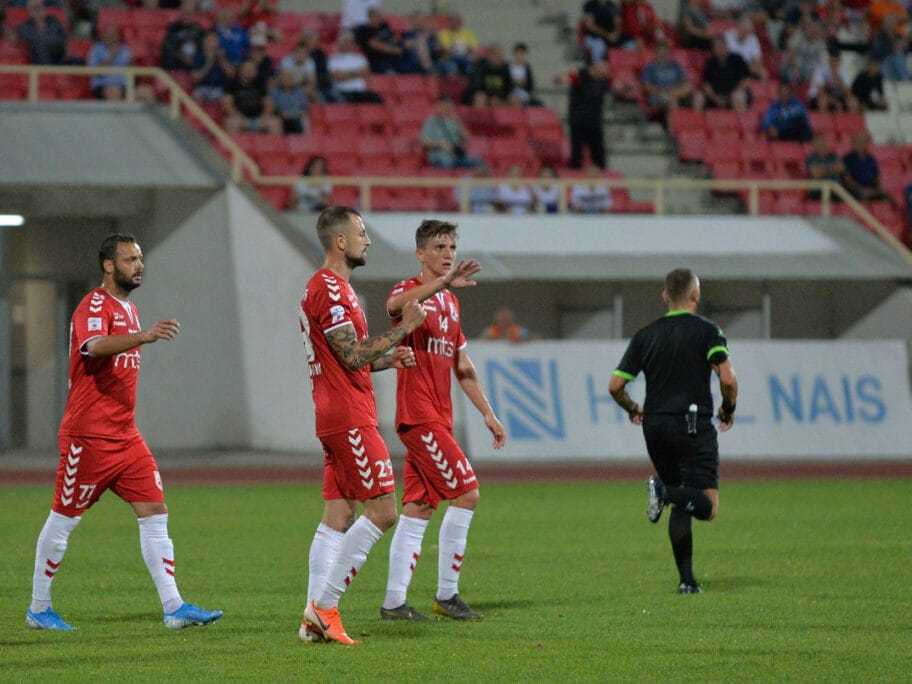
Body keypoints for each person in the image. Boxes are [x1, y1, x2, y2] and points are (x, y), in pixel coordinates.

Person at [25, 233, 223, 631]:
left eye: (140, 257)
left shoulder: (128, 308)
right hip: (88, 436)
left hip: (126, 436)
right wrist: (146, 335)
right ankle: (38, 608)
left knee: (155, 514)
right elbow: (94, 347)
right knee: (64, 520)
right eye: (130, 259)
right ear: (108, 265)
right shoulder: (94, 304)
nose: (139, 264)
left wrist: (141, 332)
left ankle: (174, 607)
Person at [298, 206, 427, 646]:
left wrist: (389, 358)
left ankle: (310, 616)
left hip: (337, 412)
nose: (367, 240)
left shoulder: (336, 290)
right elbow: (351, 355)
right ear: (340, 241)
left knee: (338, 515)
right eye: (361, 232)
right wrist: (405, 329)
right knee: (384, 510)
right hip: (348, 416)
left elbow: (349, 359)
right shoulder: (330, 291)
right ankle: (325, 607)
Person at [381, 220, 506, 623]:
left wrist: (487, 412)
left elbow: (463, 367)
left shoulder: (451, 304)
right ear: (420, 254)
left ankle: (394, 604)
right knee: (467, 494)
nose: (448, 252)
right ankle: (447, 595)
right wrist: (444, 282)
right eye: (439, 246)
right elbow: (396, 309)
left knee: (418, 508)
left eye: (452, 245)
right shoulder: (407, 293)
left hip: (440, 418)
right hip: (419, 417)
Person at [608, 268, 738, 595]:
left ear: (665, 296)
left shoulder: (646, 335)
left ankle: (687, 580)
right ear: (695, 296)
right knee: (706, 505)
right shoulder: (708, 331)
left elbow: (615, 386)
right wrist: (729, 407)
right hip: (692, 425)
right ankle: (662, 493)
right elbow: (727, 378)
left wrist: (633, 409)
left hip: (655, 427)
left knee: (683, 496)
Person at [566, 60, 610, 169]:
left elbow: (616, 86)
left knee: (599, 153)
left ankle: (602, 177)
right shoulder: (580, 75)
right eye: (603, 69)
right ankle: (575, 176)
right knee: (577, 153)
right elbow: (567, 78)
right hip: (578, 122)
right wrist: (562, 79)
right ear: (594, 67)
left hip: (594, 122)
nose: (605, 72)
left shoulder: (603, 80)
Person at [640, 40, 700, 119]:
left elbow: (684, 81)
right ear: (655, 53)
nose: (663, 53)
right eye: (660, 51)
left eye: (665, 51)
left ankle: (696, 122)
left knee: (698, 95)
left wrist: (674, 91)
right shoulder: (649, 68)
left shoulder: (675, 65)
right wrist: (662, 90)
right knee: (672, 100)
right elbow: (646, 86)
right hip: (658, 95)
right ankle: (677, 128)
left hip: (675, 92)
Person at [421, 94, 480, 170]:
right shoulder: (431, 121)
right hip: (439, 157)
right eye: (444, 106)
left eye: (449, 106)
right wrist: (441, 144)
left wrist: (458, 124)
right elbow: (424, 142)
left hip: (456, 156)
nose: (447, 108)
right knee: (447, 163)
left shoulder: (453, 121)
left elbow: (467, 138)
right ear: (438, 106)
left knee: (479, 162)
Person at [327, 29, 384, 103]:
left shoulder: (361, 58)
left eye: (350, 42)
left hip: (361, 92)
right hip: (343, 92)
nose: (348, 44)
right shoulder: (333, 60)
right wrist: (358, 73)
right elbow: (338, 77)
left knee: (377, 100)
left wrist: (346, 74)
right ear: (340, 44)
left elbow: (367, 74)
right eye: (345, 42)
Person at [702, 35, 751, 111]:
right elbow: (706, 84)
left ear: (727, 45)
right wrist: (715, 97)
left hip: (734, 93)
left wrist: (730, 96)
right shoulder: (710, 62)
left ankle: (739, 122)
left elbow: (746, 80)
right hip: (716, 97)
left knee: (738, 96)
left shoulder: (737, 59)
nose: (720, 48)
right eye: (717, 46)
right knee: (699, 98)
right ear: (713, 49)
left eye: (722, 44)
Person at [14, 0, 67, 65]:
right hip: (39, 66)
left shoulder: (54, 22)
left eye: (40, 7)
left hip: (60, 63)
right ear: (30, 11)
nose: (38, 10)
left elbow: (65, 40)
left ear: (44, 8)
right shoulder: (25, 27)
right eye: (34, 8)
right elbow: (15, 39)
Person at [87, 25, 131, 101]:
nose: (110, 37)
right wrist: (111, 57)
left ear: (118, 36)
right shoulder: (96, 50)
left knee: (145, 92)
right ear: (103, 35)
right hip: (103, 86)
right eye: (108, 34)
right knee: (114, 92)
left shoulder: (125, 50)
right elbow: (94, 73)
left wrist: (132, 63)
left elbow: (132, 69)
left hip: (125, 85)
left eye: (113, 34)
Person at [842, 131, 889, 201]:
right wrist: (861, 189)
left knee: (887, 197)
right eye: (856, 141)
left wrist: (877, 190)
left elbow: (877, 178)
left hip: (871, 189)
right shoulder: (846, 159)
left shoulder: (871, 159)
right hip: (855, 190)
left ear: (866, 144)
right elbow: (847, 179)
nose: (859, 144)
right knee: (863, 196)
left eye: (862, 142)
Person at [160, 0, 204, 72]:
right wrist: (182, 57)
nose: (187, 16)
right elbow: (168, 48)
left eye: (189, 13)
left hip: (195, 67)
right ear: (180, 12)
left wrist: (195, 59)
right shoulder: (173, 29)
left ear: (194, 14)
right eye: (185, 13)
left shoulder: (199, 30)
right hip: (177, 66)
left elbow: (203, 50)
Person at [269, 68, 310, 134]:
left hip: (297, 117)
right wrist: (281, 113)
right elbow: (271, 107)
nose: (287, 80)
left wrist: (294, 114)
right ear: (280, 79)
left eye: (289, 78)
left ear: (293, 79)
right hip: (279, 117)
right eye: (284, 77)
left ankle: (304, 143)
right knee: (274, 122)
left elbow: (304, 107)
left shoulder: (299, 92)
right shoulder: (274, 91)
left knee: (305, 121)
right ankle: (277, 143)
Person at [805, 133, 845, 199]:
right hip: (819, 192)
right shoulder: (811, 158)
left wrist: (823, 170)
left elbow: (841, 168)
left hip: (836, 191)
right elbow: (816, 174)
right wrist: (833, 168)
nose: (822, 145)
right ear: (814, 145)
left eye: (824, 143)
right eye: (819, 144)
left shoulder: (833, 157)